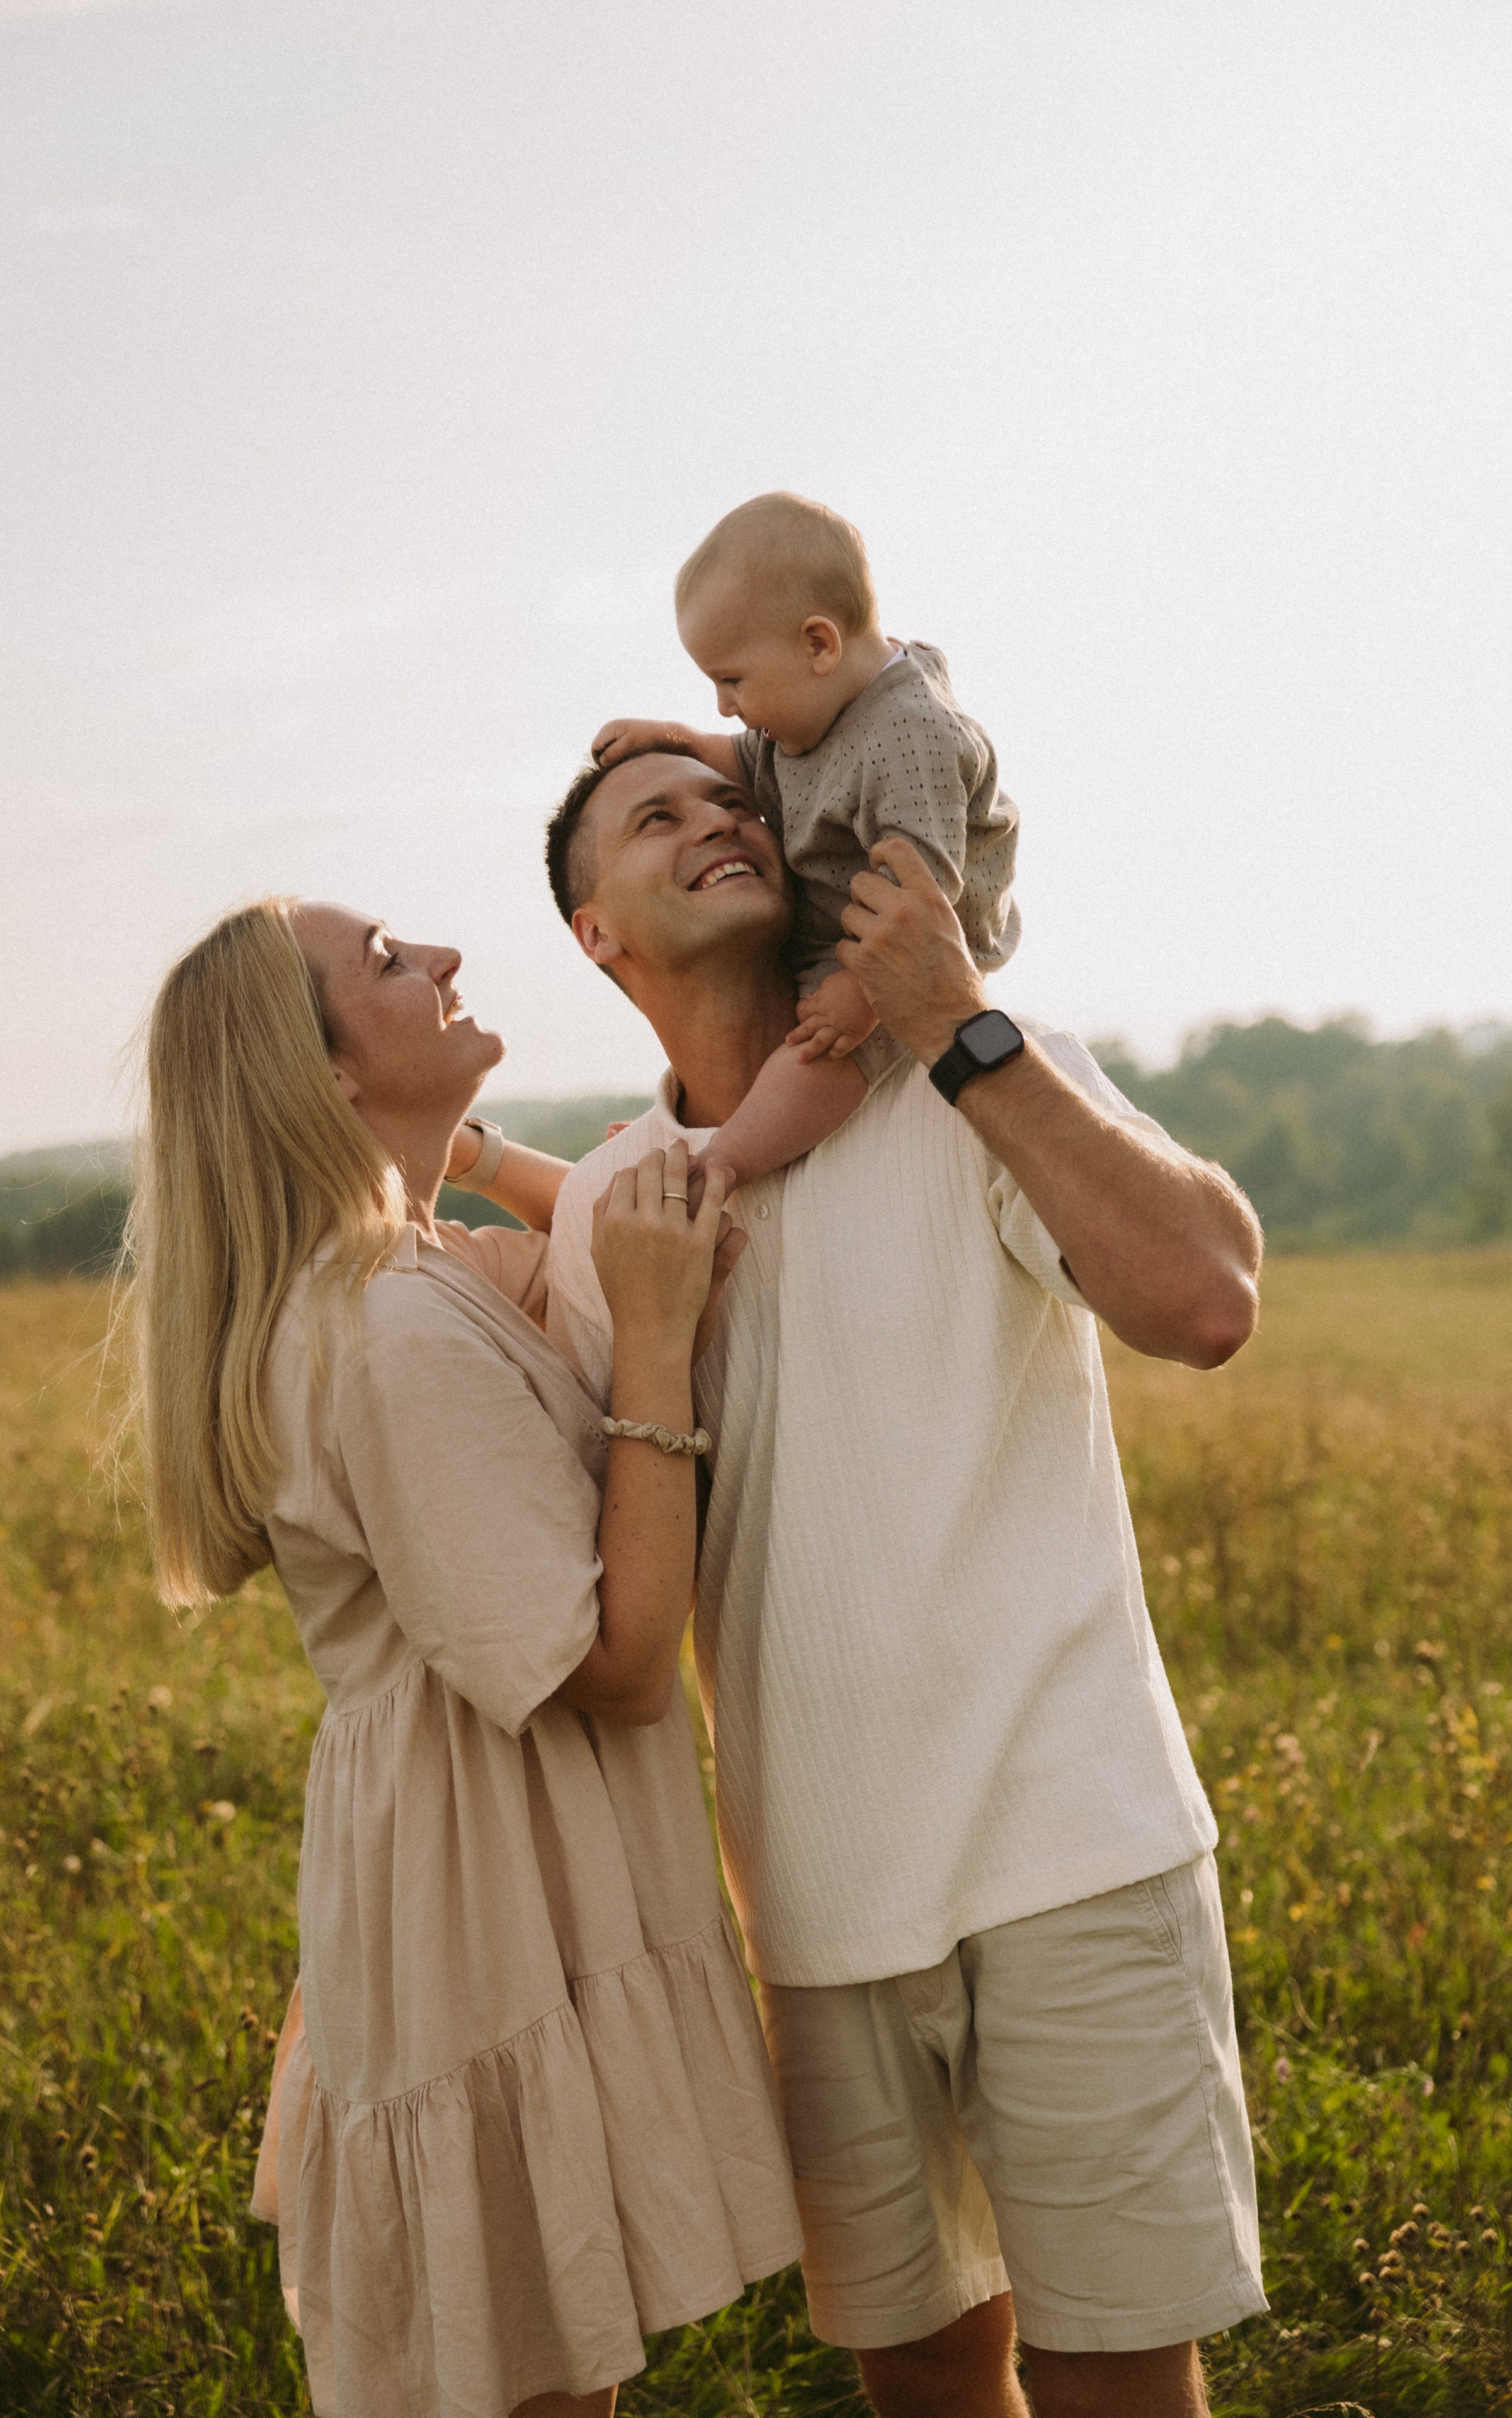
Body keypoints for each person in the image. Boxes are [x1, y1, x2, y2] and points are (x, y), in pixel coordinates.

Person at [542, 749, 1269, 2418]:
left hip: (1073, 1846)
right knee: (929, 2372)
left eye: (732, 799)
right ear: (598, 934)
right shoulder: (605, 1214)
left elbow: (1209, 1303)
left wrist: (959, 1024)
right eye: (658, 818)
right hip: (814, 1901)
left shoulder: (979, 1069)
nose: (719, 820)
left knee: (1114, 2379)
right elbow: (602, 1595)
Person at [122, 897, 802, 2418]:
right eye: (383, 964)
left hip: (473, 1860)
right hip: (483, 1886)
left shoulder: (411, 1269)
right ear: (326, 1079)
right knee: (527, 2372)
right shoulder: (386, 1333)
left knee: (545, 2356)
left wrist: (472, 1152)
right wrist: (647, 1347)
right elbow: (625, 1666)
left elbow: (617, 1226)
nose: (437, 959)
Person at [591, 490, 1020, 1193]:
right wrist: (678, 741)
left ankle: (723, 1162)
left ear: (818, 644)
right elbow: (754, 762)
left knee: (822, 1050)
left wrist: (864, 991)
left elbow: (921, 895)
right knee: (748, 1012)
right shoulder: (815, 709)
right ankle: (687, 1130)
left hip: (906, 947)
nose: (724, 706)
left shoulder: (910, 737)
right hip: (840, 918)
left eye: (731, 681)